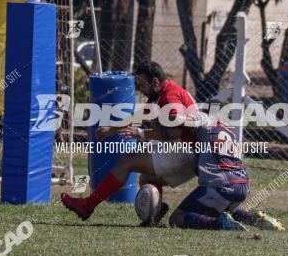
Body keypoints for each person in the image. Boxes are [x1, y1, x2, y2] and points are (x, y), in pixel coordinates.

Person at [61, 61, 197, 223]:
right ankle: (155, 213)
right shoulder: (162, 93)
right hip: (189, 154)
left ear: (154, 82)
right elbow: (138, 117)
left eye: (142, 85)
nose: (140, 89)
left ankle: (87, 205)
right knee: (146, 178)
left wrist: (141, 133)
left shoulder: (169, 96)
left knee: (128, 161)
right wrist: (111, 130)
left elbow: (176, 133)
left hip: (186, 152)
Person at [167, 108, 284, 232]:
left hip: (221, 186)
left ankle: (220, 224)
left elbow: (179, 119)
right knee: (213, 211)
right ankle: (254, 218)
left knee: (176, 219)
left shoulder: (204, 118)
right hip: (243, 186)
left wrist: (166, 115)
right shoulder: (229, 131)